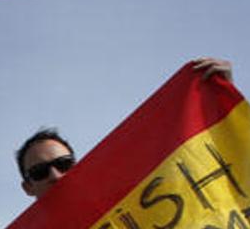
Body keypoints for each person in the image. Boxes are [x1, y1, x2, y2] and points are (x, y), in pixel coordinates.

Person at [16, 58, 233, 202]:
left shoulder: (132, 200)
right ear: (28, 187)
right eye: (39, 172)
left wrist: (220, 101)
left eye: (63, 164)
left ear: (78, 165)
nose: (55, 176)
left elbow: (209, 174)